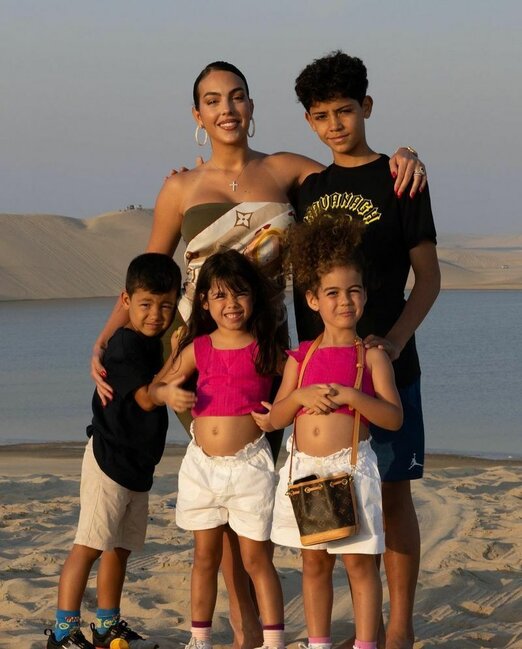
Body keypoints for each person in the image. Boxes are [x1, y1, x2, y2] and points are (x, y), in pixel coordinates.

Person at [90, 61, 428, 649]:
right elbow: (151, 273)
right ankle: (248, 629)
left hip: (274, 357)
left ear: (251, 106)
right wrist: (104, 337)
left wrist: (405, 153)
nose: (226, 109)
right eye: (212, 100)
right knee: (223, 498)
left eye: (237, 97)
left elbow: (354, 171)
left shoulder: (288, 169)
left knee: (262, 489)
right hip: (203, 353)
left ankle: (330, 627)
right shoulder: (179, 188)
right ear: (197, 115)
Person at [292, 51, 441, 649]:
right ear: (309, 121)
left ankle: (398, 626)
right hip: (323, 378)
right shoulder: (308, 189)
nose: (335, 125)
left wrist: (396, 340)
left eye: (345, 111)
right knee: (334, 500)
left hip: (387, 369)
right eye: (321, 115)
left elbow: (428, 278)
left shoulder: (401, 180)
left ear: (367, 107)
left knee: (394, 495)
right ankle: (349, 629)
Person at [270, 212, 403, 649]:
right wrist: (300, 396)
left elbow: (392, 418)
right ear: (312, 299)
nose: (344, 301)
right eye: (332, 293)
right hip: (305, 472)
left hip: (351, 469)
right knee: (313, 565)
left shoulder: (372, 356)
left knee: (360, 565)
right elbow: (278, 417)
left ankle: (366, 644)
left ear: (364, 294)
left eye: (353, 290)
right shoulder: (301, 357)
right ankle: (319, 643)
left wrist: (351, 396)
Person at [150, 249, 287, 649]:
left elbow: (300, 374)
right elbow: (159, 387)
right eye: (220, 295)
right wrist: (168, 392)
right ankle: (200, 639)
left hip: (249, 466)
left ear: (254, 297)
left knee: (256, 559)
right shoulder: (198, 348)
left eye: (240, 293)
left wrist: (282, 410)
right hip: (202, 466)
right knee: (204, 557)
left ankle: (274, 641)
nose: (231, 303)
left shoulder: (264, 347)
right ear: (205, 303)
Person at [45, 253, 182, 649]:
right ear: (126, 300)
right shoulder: (123, 345)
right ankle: (63, 631)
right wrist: (177, 357)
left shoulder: (150, 342)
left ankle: (106, 627)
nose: (155, 315)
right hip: (109, 460)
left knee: (120, 549)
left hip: (138, 466)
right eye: (145, 304)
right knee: (88, 545)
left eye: (166, 306)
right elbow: (146, 397)